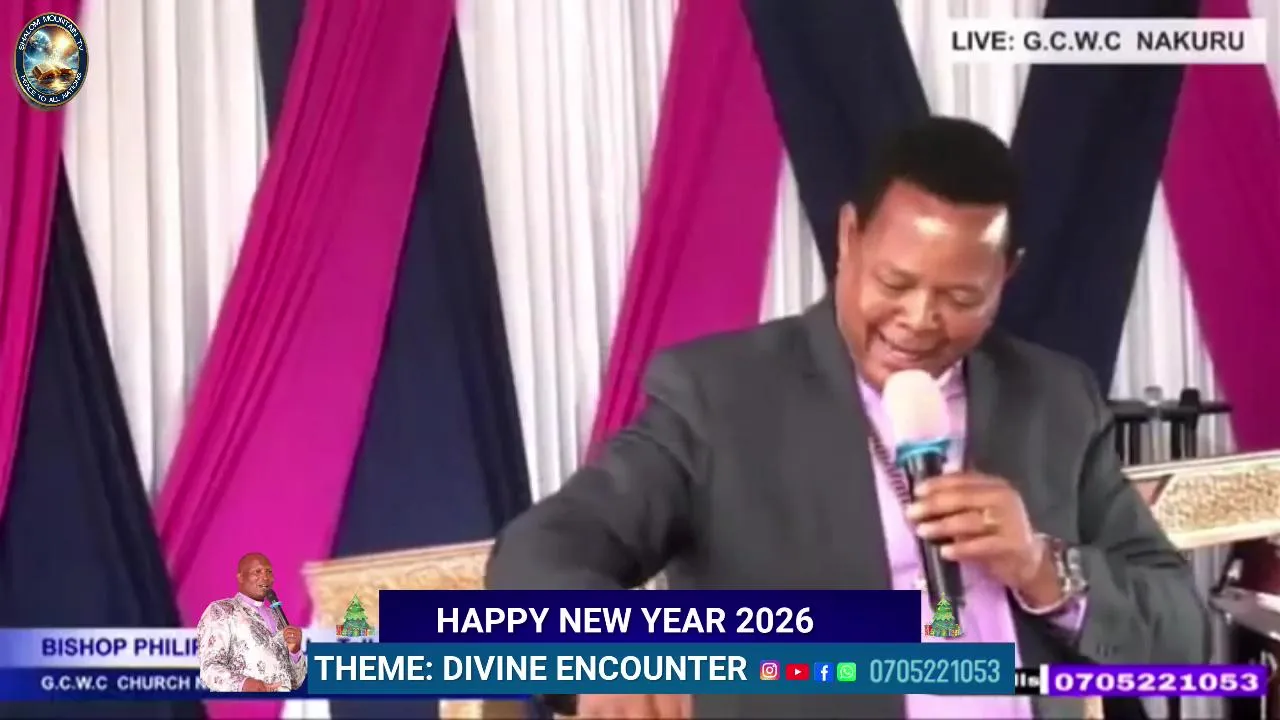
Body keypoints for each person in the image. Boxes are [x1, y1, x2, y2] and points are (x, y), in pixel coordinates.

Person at [485, 116, 1210, 718]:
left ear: (1006, 275)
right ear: (848, 238)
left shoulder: (1054, 398)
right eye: (895, 281)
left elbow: (1184, 632)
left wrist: (1041, 566)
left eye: (960, 297)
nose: (918, 319)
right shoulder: (718, 396)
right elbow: (542, 551)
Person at [196, 552, 307, 692]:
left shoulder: (277, 617)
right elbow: (209, 668)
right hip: (245, 703)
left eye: (269, 572)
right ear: (241, 577)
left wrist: (295, 652)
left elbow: (296, 682)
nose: (265, 577)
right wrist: (243, 684)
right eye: (257, 572)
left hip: (281, 702)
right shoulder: (222, 610)